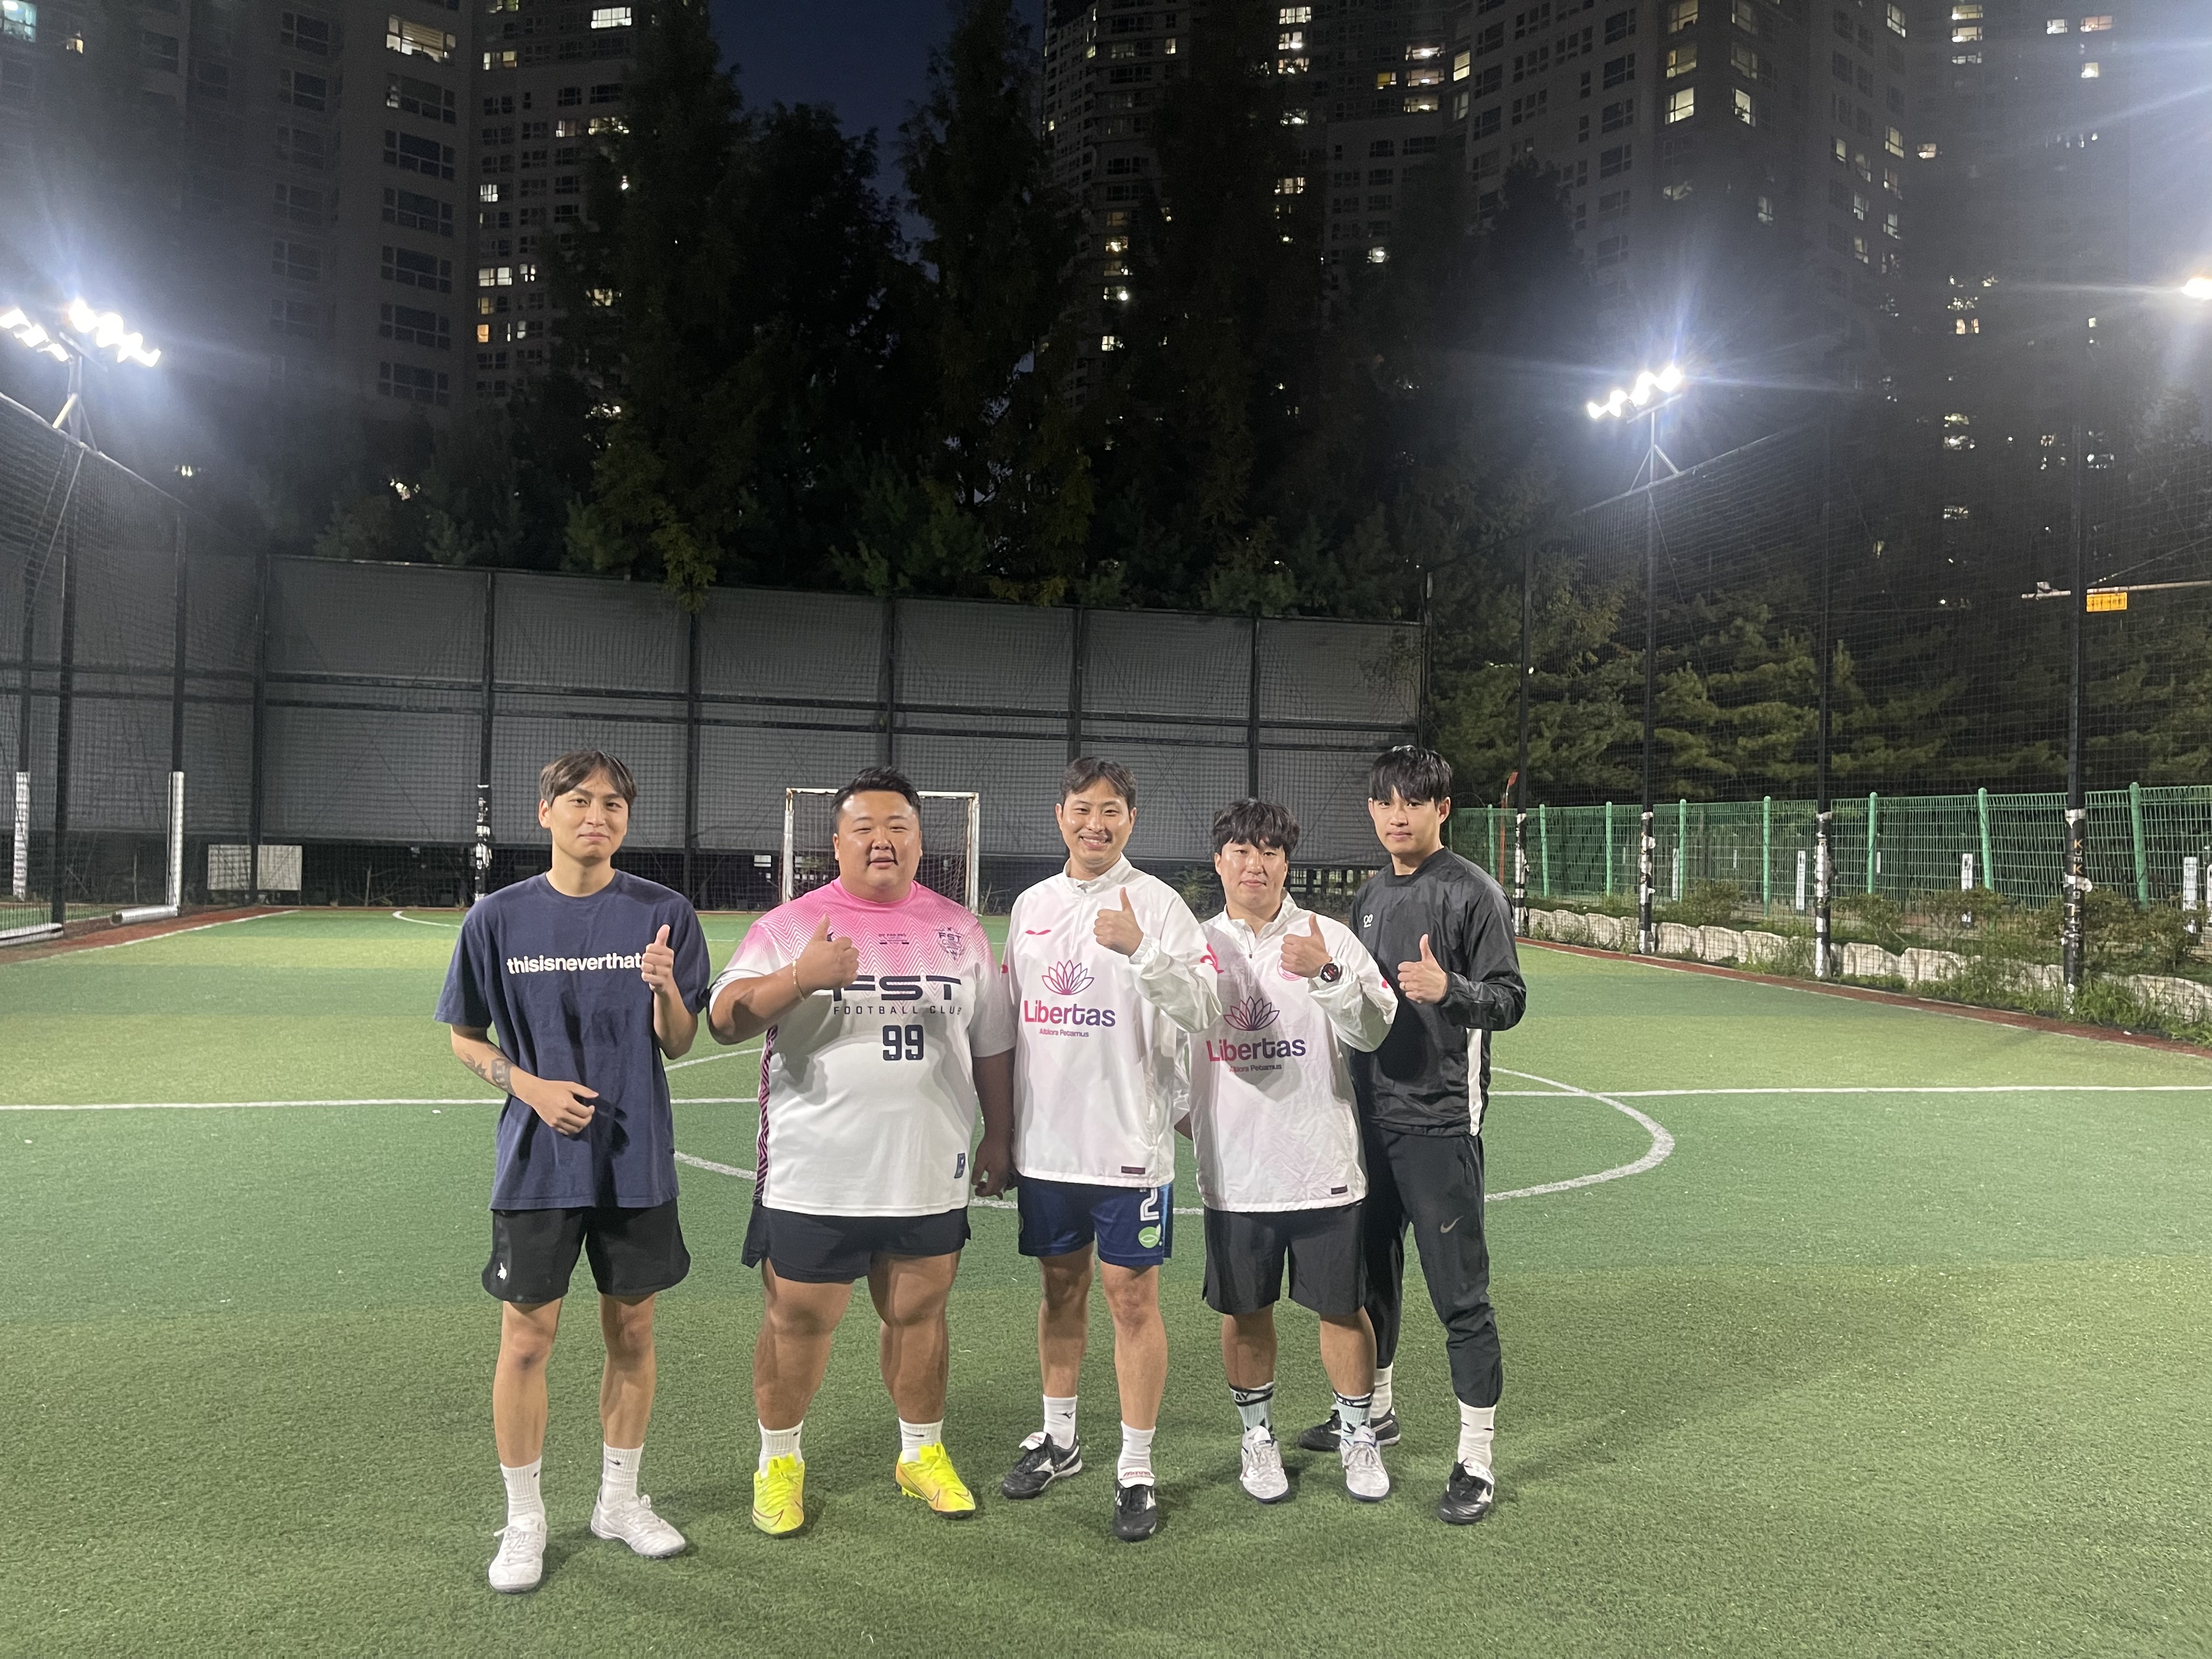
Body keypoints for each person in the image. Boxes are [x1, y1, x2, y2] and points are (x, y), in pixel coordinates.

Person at [707, 766, 1014, 1538]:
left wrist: (1001, 1133)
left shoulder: (960, 929)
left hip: (927, 1170)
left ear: (920, 842)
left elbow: (992, 1045)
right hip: (816, 1173)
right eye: (865, 828)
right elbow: (724, 1019)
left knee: (919, 1314)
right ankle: (779, 1463)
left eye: (899, 827)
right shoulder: (791, 926)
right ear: (837, 843)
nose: (883, 841)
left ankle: (921, 1453)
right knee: (798, 1321)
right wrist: (798, 979)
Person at [437, 749, 711, 1594]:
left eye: (614, 804)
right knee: (527, 1339)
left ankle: (618, 1503)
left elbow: (679, 1042)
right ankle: (524, 1519)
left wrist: (665, 989)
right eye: (580, 800)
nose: (598, 816)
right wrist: (530, 1087)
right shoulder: (497, 919)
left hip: (636, 1162)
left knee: (633, 1332)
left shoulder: (664, 913)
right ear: (546, 812)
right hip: (537, 1164)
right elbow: (464, 1038)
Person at [1294, 746, 1526, 1527]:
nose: (1398, 815)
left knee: (1460, 1293)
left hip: (1439, 1121)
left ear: (1441, 809)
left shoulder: (1474, 893)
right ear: (1372, 810)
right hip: (1370, 1119)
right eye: (1386, 802)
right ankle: (1377, 1412)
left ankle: (1476, 1457)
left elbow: (1510, 999)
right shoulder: (1367, 896)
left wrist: (1449, 988)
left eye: (1414, 802)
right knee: (1370, 1276)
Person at [998, 757, 1222, 1542]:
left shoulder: (1159, 905)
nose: (1096, 824)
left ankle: (1136, 1466)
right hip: (1048, 1149)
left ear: (1131, 820)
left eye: (1112, 811)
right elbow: (1010, 1021)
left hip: (1131, 1148)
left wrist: (1142, 950)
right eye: (1083, 809)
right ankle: (1060, 1440)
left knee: (1132, 1302)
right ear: (1060, 814)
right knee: (1060, 1291)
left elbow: (1206, 1009)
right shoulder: (1031, 905)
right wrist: (1001, 1133)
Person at [1184, 799, 1398, 1506]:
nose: (1257, 864)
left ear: (1286, 863)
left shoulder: (1326, 936)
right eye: (1243, 852)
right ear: (1219, 862)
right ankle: (1258, 1438)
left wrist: (1328, 974)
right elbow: (1161, 1045)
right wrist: (1195, 1119)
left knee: (1343, 1309)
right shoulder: (1194, 946)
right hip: (1235, 1176)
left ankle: (1359, 1434)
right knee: (1246, 1313)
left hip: (1322, 1165)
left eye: (1271, 852)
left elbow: (1375, 1030)